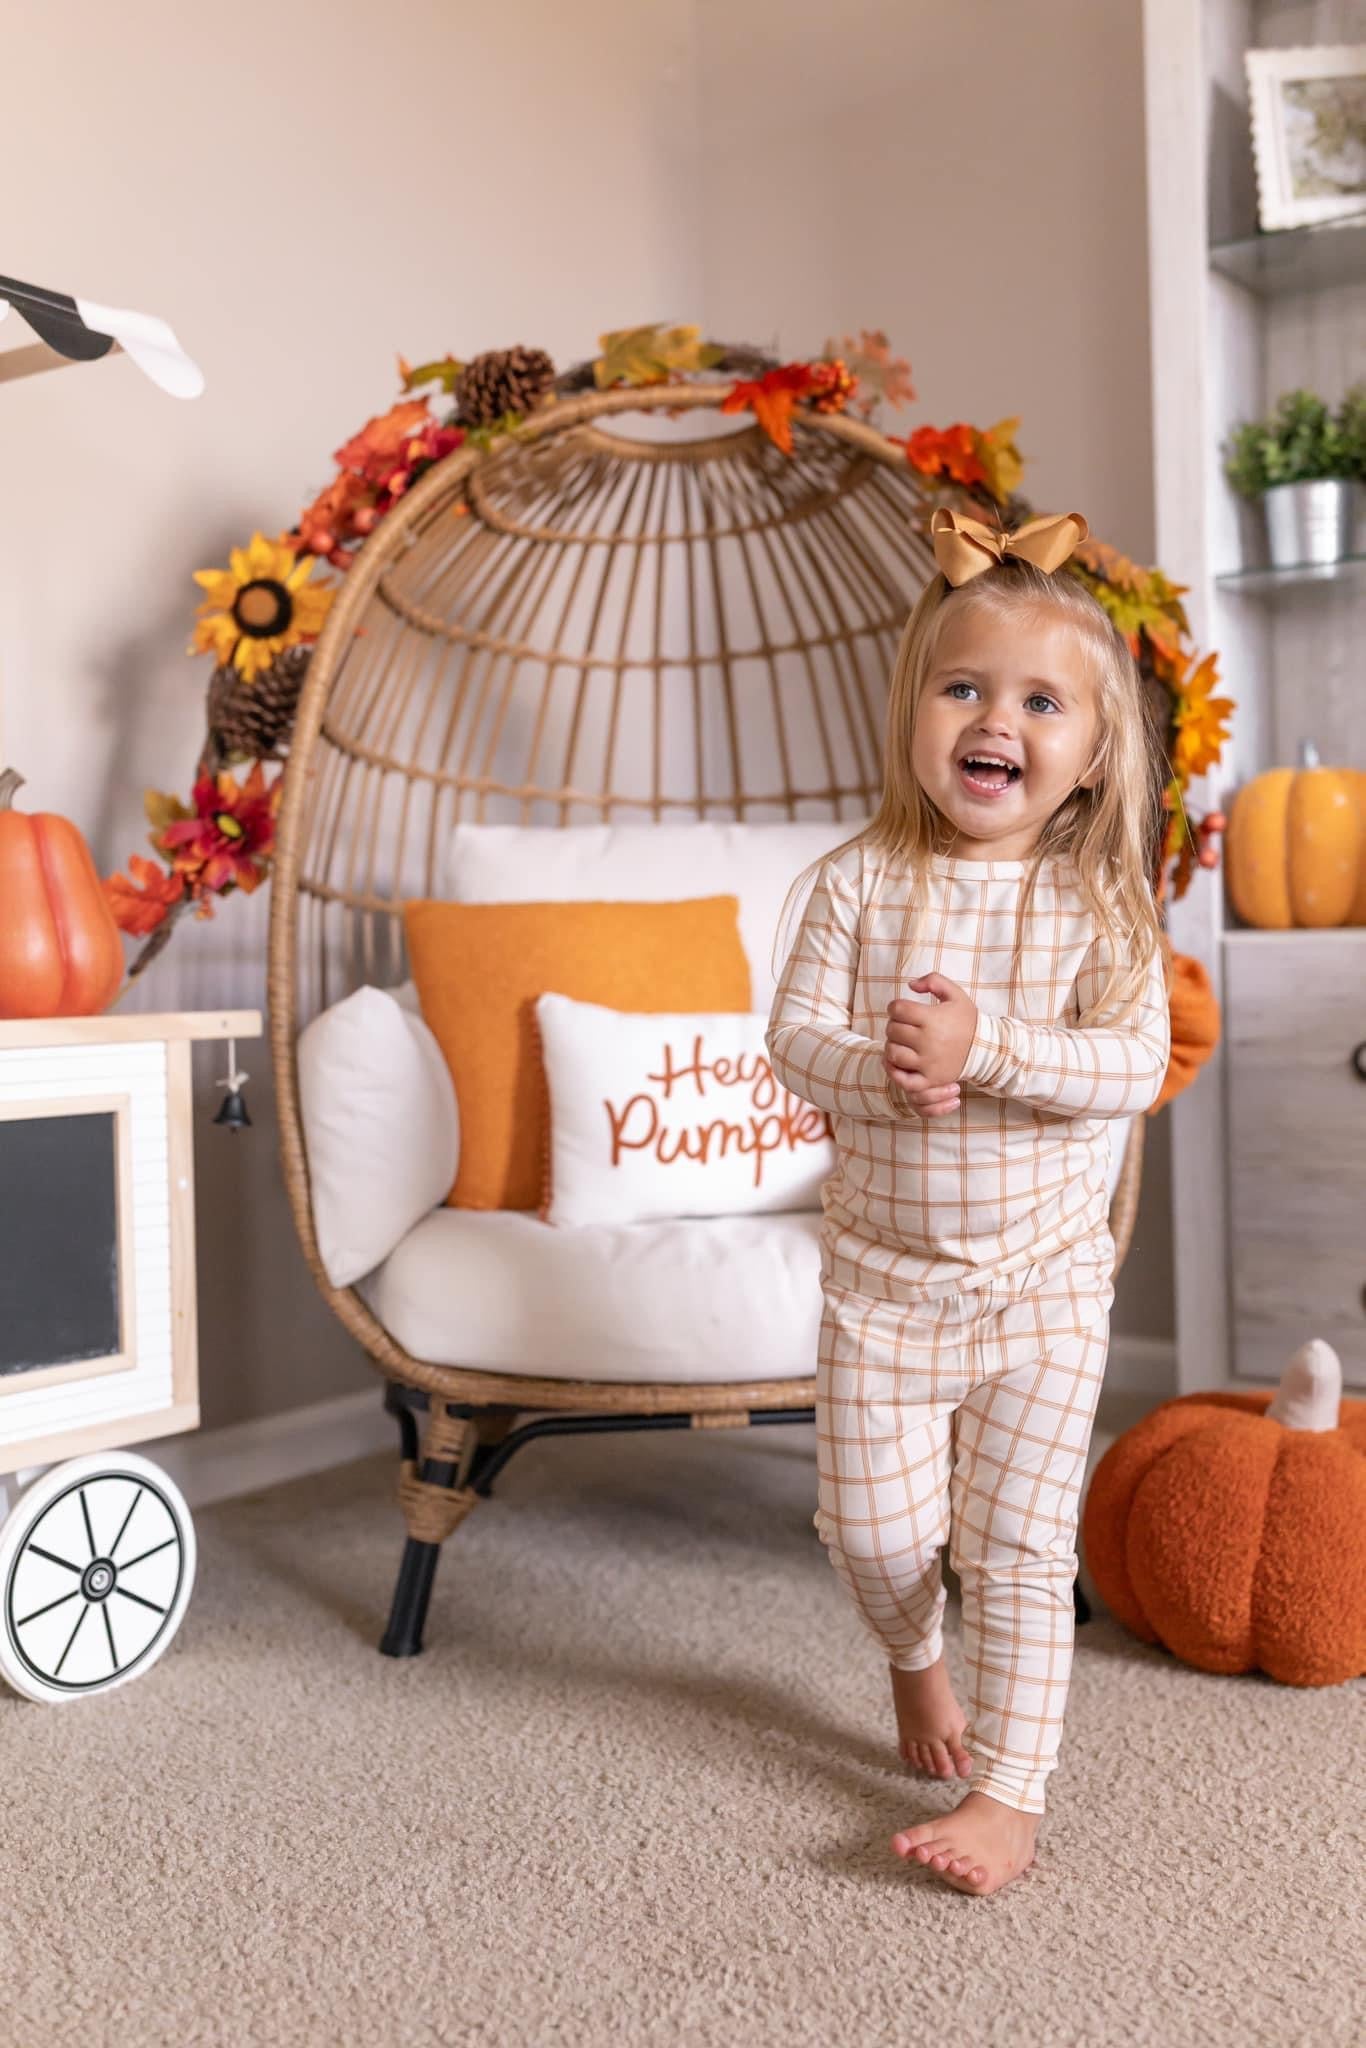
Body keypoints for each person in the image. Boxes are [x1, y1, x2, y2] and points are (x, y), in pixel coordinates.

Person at [765, 504, 1172, 1898]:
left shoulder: (1101, 905)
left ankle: (1011, 1793)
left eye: (1041, 702)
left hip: (1042, 1286)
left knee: (1018, 1545)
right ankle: (911, 1655)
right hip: (882, 1287)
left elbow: (1130, 1067)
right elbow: (794, 1043)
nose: (996, 720)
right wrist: (890, 1072)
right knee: (874, 1537)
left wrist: (984, 1047)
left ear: (1092, 752)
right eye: (963, 689)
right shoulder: (855, 884)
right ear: (915, 714)